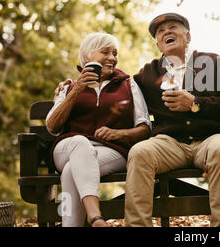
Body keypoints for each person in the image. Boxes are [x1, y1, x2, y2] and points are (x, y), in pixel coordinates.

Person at [124, 12, 220, 227]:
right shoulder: (149, 73)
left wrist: (195, 103)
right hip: (170, 144)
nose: (166, 32)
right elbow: (120, 88)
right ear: (159, 45)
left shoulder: (213, 62)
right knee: (139, 152)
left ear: (187, 37)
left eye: (173, 27)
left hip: (210, 139)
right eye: (160, 32)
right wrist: (70, 88)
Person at [46, 32, 151, 227]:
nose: (112, 58)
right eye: (105, 52)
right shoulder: (68, 88)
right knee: (80, 143)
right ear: (87, 57)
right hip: (67, 147)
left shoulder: (129, 85)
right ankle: (95, 216)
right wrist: (76, 89)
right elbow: (52, 127)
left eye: (115, 53)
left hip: (111, 151)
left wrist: (118, 134)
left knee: (71, 171)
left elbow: (144, 129)